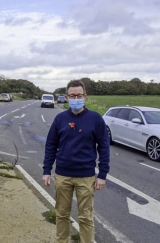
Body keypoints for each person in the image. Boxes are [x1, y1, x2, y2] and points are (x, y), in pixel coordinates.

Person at [42, 80, 110, 243]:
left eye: (79, 95)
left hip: (86, 177)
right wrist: (46, 170)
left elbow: (104, 147)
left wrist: (102, 174)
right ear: (66, 97)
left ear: (85, 96)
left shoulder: (95, 119)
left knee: (86, 218)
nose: (76, 98)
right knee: (62, 215)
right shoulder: (60, 119)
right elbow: (51, 145)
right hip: (63, 176)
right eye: (72, 95)